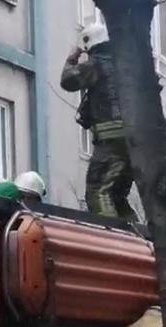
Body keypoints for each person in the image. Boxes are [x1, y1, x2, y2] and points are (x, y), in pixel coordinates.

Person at [60, 23, 137, 223]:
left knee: (97, 191)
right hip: (134, 142)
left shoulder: (95, 65)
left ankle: (112, 235)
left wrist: (72, 57)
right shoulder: (126, 67)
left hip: (111, 141)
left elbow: (68, 81)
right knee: (117, 196)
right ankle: (137, 234)